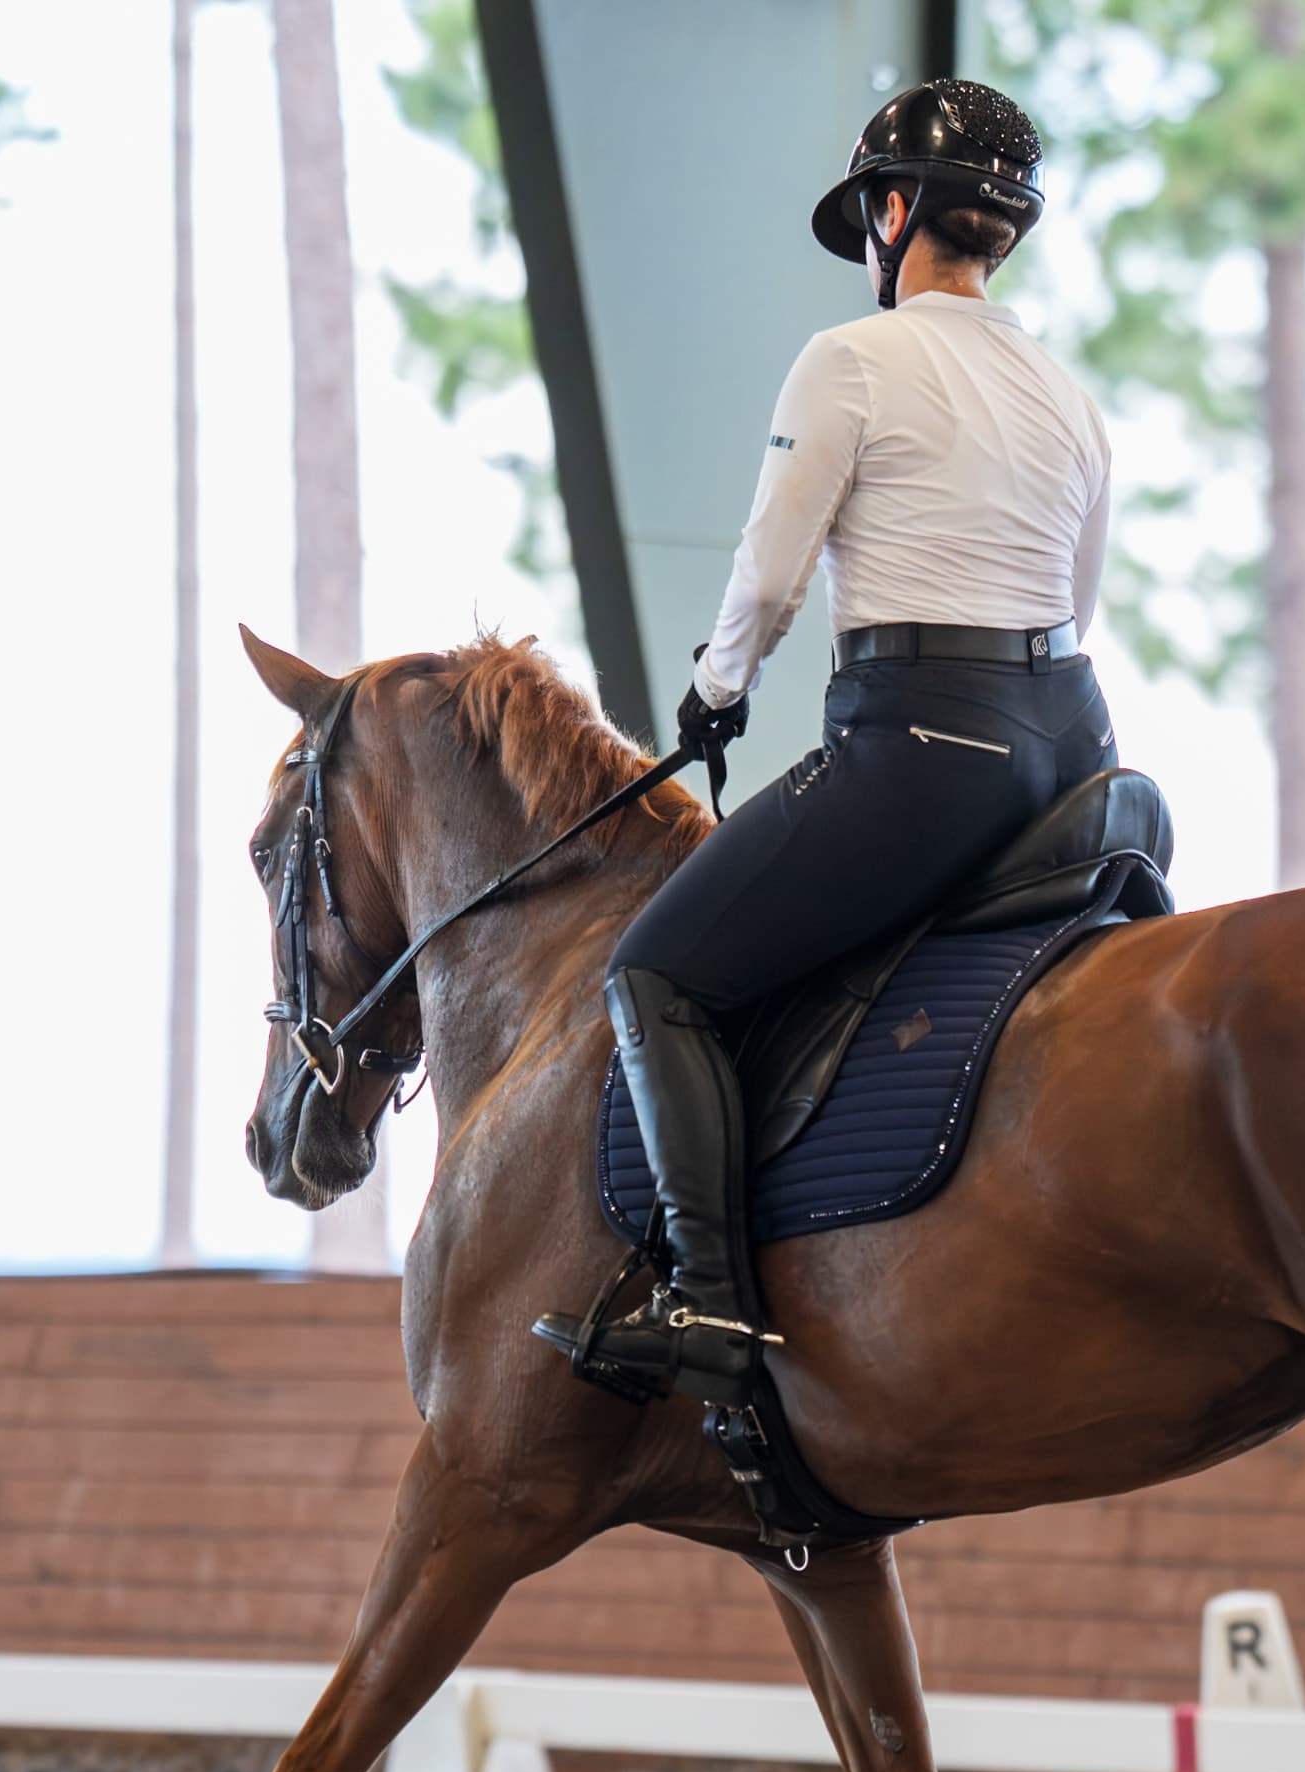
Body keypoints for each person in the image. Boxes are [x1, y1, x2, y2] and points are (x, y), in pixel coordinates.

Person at [535, 78, 1116, 1407]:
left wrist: (717, 689)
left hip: (927, 747)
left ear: (898, 213)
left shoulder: (850, 360)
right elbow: (1077, 605)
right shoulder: (1070, 397)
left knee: (656, 975)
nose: (869, 244)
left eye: (871, 219)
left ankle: (710, 1303)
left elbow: (772, 570)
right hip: (1075, 747)